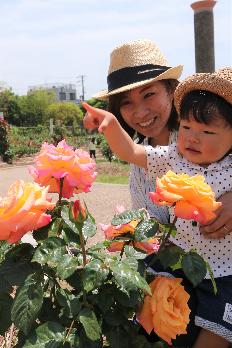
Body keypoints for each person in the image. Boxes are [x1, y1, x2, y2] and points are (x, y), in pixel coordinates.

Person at [83, 67, 232, 348]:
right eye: (187, 127)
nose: (192, 137)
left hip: (224, 272)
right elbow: (131, 152)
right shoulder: (175, 158)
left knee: (218, 331)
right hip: (177, 267)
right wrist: (111, 124)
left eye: (207, 131)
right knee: (154, 320)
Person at [92, 38, 232, 241]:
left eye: (148, 94)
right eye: (126, 102)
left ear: (171, 91)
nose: (140, 113)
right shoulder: (140, 167)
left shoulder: (212, 138)